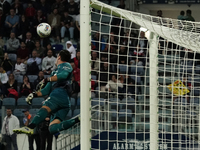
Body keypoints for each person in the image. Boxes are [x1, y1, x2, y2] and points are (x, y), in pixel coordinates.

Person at [13, 50, 80, 135]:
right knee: (52, 128)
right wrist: (34, 94)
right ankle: (78, 119)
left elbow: (63, 76)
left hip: (59, 94)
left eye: (57, 56)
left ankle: (30, 127)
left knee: (45, 108)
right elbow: (46, 90)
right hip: (64, 103)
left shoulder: (66, 65)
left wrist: (47, 79)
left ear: (59, 57)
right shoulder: (54, 72)